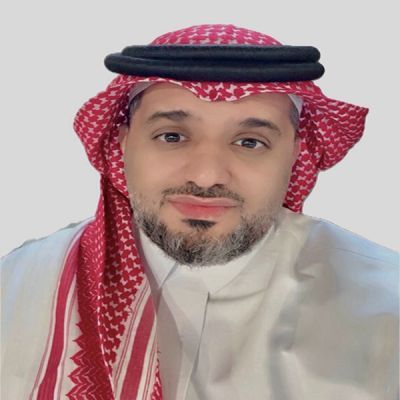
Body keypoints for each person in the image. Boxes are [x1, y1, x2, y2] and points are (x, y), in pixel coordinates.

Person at [1, 24, 398, 400]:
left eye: (249, 142)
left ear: (294, 154)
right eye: (172, 136)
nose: (207, 176)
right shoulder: (16, 289)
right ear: (123, 144)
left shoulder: (386, 309)